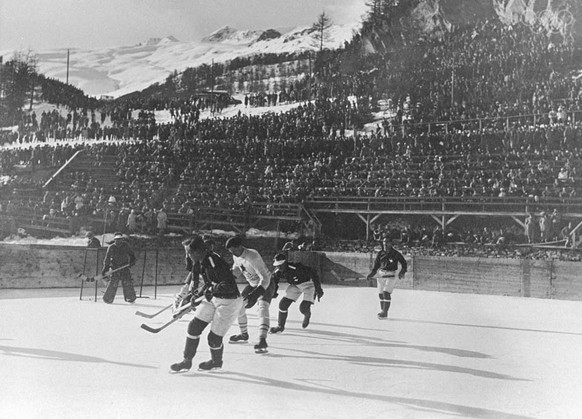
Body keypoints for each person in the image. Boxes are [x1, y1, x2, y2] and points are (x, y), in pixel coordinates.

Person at [170, 235, 242, 372]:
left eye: (188, 252)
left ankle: (216, 362)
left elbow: (228, 285)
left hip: (229, 301)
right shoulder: (200, 261)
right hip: (213, 297)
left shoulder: (213, 260)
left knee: (213, 338)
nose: (187, 255)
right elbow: (209, 282)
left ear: (197, 251)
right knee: (193, 327)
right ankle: (187, 361)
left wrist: (211, 290)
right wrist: (196, 294)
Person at [225, 236, 275, 353]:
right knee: (239, 305)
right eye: (231, 252)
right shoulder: (236, 255)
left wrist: (255, 294)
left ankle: (262, 339)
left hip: (265, 284)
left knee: (262, 307)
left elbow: (265, 279)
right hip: (253, 284)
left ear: (240, 246)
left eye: (234, 251)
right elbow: (237, 269)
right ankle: (244, 335)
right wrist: (227, 279)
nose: (234, 254)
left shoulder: (252, 256)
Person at [269, 252, 324, 334]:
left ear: (285, 262)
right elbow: (274, 282)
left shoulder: (296, 267)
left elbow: (313, 272)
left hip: (308, 284)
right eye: (277, 265)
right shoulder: (278, 271)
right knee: (283, 304)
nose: (278, 267)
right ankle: (280, 326)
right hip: (295, 285)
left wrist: (318, 289)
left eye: (280, 264)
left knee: (303, 308)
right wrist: (273, 292)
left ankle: (307, 315)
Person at [366, 237, 407, 319]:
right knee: (381, 294)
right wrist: (371, 274)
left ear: (391, 243)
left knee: (386, 293)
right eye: (384, 242)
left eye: (387, 242)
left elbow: (404, 263)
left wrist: (402, 272)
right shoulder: (380, 253)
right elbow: (376, 266)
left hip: (391, 275)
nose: (385, 244)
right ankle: (383, 311)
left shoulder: (396, 253)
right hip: (381, 275)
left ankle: (385, 312)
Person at [102, 232, 137, 304]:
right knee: (113, 282)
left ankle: (130, 297)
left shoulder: (126, 246)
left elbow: (132, 255)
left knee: (127, 282)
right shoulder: (111, 247)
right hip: (115, 267)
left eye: (120, 239)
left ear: (122, 239)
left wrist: (132, 261)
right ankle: (108, 298)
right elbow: (107, 259)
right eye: (117, 240)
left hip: (124, 267)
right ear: (114, 240)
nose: (118, 241)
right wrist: (105, 268)